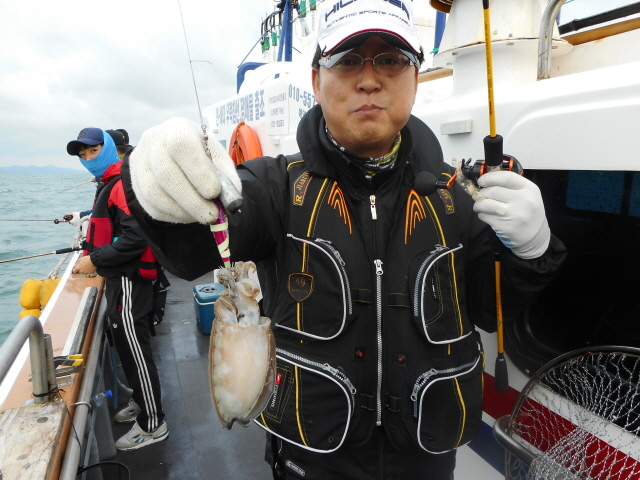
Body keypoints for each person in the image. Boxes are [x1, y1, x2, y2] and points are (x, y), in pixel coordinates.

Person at [121, 1, 566, 478]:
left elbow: (489, 308)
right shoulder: (275, 186)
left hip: (425, 458)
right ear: (317, 81)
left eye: (391, 60)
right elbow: (193, 251)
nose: (369, 80)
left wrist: (532, 251)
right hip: (311, 458)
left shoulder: (456, 195)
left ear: (415, 78)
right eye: (348, 60)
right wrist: (153, 186)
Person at [66, 127, 168, 451]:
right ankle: (142, 400)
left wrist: (94, 260)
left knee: (135, 351)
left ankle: (153, 423)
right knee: (127, 346)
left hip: (128, 280)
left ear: (108, 148)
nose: (88, 158)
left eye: (93, 151)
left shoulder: (121, 182)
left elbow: (135, 238)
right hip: (120, 278)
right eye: (83, 155)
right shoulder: (109, 181)